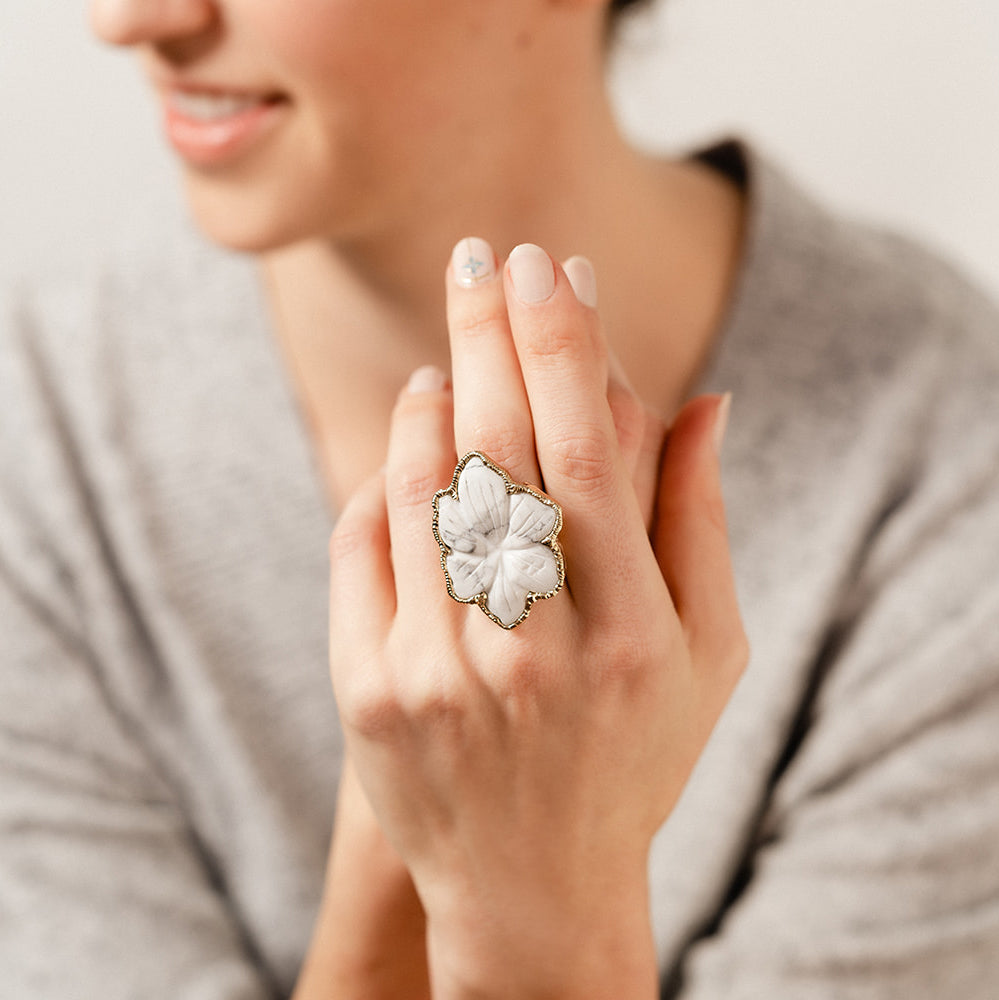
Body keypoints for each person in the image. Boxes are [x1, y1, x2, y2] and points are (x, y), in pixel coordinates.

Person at [2, 0, 997, 996]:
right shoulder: (36, 451)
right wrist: (418, 854)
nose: (128, 18)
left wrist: (536, 930)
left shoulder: (951, 471)